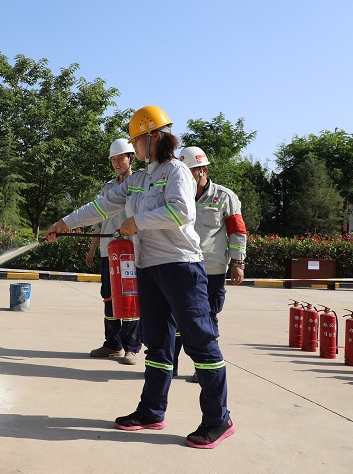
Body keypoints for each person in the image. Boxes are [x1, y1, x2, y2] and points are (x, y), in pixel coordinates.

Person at [44, 105, 235, 449]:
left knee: (199, 341)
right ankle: (151, 411)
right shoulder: (139, 179)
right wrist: (64, 223)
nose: (134, 147)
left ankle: (218, 418)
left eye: (137, 140)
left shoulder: (177, 171)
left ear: (154, 136)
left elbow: (181, 211)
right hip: (149, 268)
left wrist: (137, 222)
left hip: (181, 266)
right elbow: (102, 206)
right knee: (158, 343)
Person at [174, 146, 247, 381]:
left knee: (207, 318)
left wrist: (238, 262)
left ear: (203, 170)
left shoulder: (225, 197)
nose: (186, 177)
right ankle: (169, 366)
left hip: (212, 270)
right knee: (175, 318)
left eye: (191, 171)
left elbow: (237, 231)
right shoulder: (175, 195)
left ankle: (204, 369)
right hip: (180, 265)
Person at [85, 139, 142, 365]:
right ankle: (112, 344)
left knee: (129, 299)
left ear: (131, 158)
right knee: (108, 298)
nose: (117, 163)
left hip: (131, 253)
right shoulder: (107, 188)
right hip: (107, 252)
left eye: (121, 158)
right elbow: (99, 222)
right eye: (114, 160)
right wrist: (91, 251)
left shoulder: (140, 184)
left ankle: (132, 347)